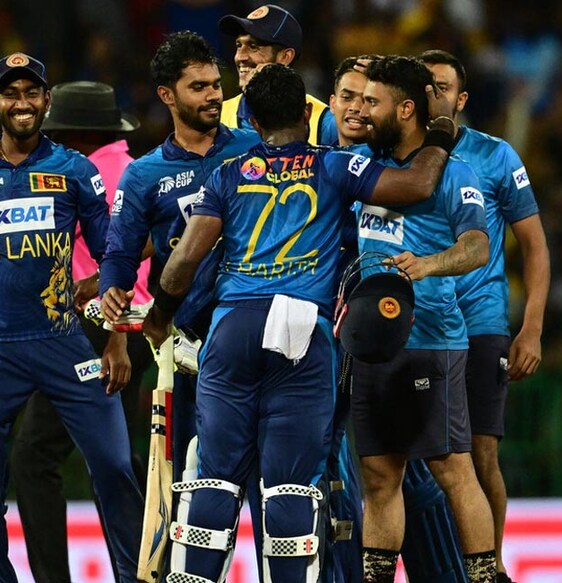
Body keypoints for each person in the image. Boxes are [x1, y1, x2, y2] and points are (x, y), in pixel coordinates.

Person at [140, 62, 456, 583]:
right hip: (302, 330)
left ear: (255, 122)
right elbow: (419, 184)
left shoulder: (228, 172)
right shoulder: (334, 166)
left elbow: (180, 266)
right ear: (306, 114)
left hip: (232, 326)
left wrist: (159, 320)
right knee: (290, 489)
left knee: (214, 481)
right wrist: (440, 132)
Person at [0, 52, 143, 583]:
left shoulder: (74, 170)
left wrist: (114, 340)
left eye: (32, 93)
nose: (23, 103)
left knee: (113, 463)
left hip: (64, 344)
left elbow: (112, 255)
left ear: (46, 100)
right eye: (11, 93)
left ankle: (136, 575)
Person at [348, 55, 494, 583]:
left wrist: (429, 264)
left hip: (433, 339)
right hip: (372, 344)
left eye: (372, 101)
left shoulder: (458, 173)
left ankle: (483, 577)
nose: (362, 111)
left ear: (406, 109)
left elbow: (477, 246)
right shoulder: (365, 166)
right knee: (380, 477)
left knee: (454, 469)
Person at [99, 30, 261, 486]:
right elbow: (119, 253)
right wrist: (113, 289)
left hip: (257, 330)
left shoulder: (253, 148)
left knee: (270, 480)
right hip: (189, 345)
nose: (214, 96)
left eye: (216, 84)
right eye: (199, 87)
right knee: (195, 483)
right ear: (167, 96)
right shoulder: (144, 174)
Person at [9, 80, 154, 583]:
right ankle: (144, 566)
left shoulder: (90, 171)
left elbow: (135, 246)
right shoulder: (130, 167)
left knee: (34, 455)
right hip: (124, 326)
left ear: (77, 135)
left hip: (99, 326)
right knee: (110, 456)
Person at [420, 48, 551, 583]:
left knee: (480, 454)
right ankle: (436, 562)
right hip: (416, 327)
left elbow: (535, 248)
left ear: (462, 97)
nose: (434, 95)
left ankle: (490, 569)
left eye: (444, 87)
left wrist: (532, 329)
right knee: (411, 460)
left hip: (480, 323)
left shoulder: (495, 157)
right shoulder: (396, 159)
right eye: (424, 86)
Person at [218, 4, 338, 146]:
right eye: (239, 45)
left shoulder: (324, 122)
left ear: (285, 57)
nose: (240, 57)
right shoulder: (218, 118)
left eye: (253, 47)